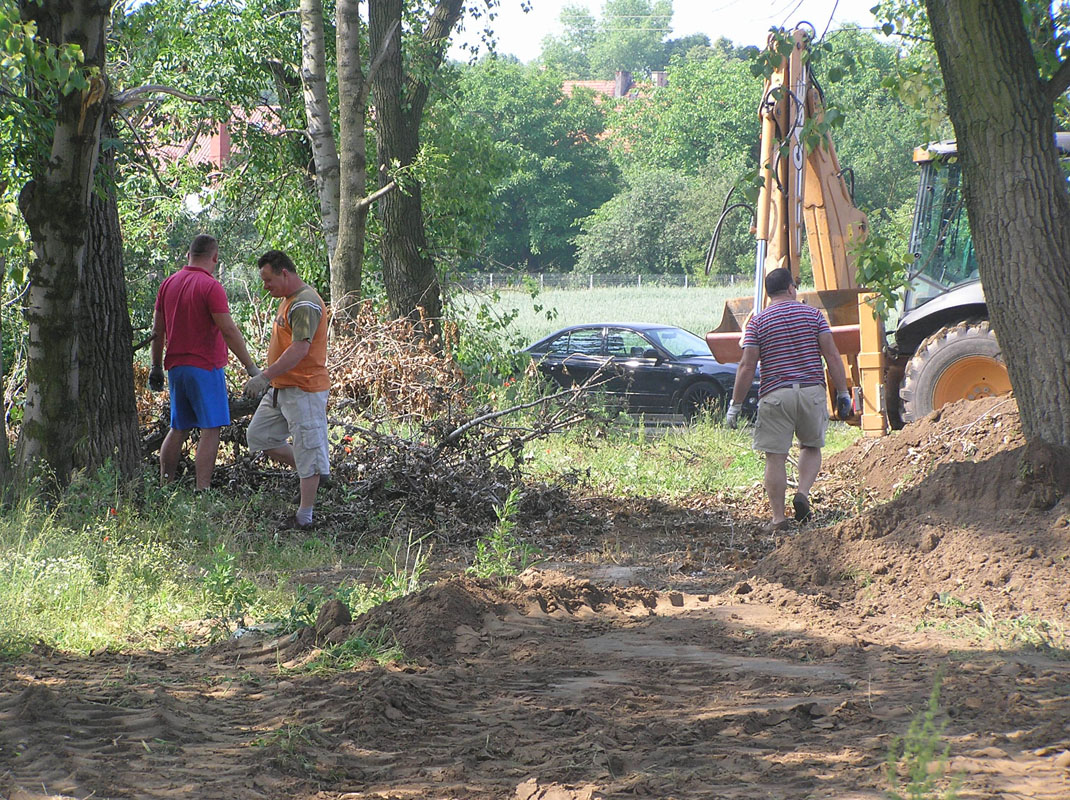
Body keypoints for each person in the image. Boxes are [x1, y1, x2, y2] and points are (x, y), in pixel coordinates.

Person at [725, 267, 852, 532]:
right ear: (792, 288)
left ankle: (778, 519)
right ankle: (803, 492)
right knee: (811, 446)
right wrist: (843, 393)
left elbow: (747, 366)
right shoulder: (814, 315)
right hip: (811, 392)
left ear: (769, 293)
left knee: (775, 457)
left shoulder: (757, 322)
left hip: (776, 395)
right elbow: (831, 355)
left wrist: (735, 406)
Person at [150, 234, 261, 490]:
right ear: (215, 258)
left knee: (178, 427)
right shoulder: (211, 287)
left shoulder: (168, 284)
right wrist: (251, 367)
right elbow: (228, 330)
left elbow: (158, 329)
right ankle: (203, 490)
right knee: (210, 429)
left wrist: (156, 366)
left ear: (188, 256)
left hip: (176, 368)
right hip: (205, 368)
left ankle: (165, 486)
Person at [244, 249, 330, 530]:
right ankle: (315, 473)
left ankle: (305, 518)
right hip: (281, 389)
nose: (265, 286)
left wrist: (264, 377)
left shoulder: (305, 303)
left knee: (308, 449)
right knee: (259, 436)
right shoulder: (288, 300)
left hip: (304, 390)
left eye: (268, 280)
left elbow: (301, 349)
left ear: (284, 273)